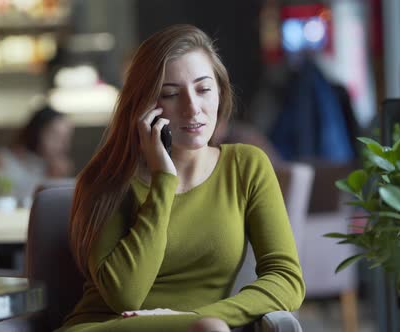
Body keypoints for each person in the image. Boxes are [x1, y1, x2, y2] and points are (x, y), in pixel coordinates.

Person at [62, 24, 304, 332]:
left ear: (220, 92)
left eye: (203, 89)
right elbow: (125, 297)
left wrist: (196, 319)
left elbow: (286, 280)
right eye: (171, 94)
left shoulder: (246, 166)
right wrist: (164, 181)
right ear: (145, 106)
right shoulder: (107, 180)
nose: (193, 109)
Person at [0, 105, 74, 206]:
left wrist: (57, 180)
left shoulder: (56, 167)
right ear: (36, 132)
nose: (63, 144)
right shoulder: (1, 159)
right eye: (55, 135)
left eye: (66, 137)